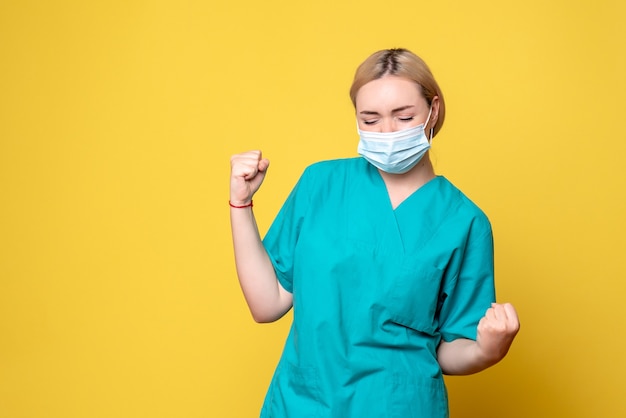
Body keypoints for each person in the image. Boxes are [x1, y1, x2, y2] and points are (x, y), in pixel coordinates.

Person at [229, 48, 520, 417]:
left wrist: (487, 350)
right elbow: (266, 304)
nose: (387, 132)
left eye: (403, 117)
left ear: (433, 110)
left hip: (399, 406)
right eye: (370, 119)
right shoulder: (321, 184)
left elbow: (449, 350)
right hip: (304, 402)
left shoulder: (464, 222)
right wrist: (240, 204)